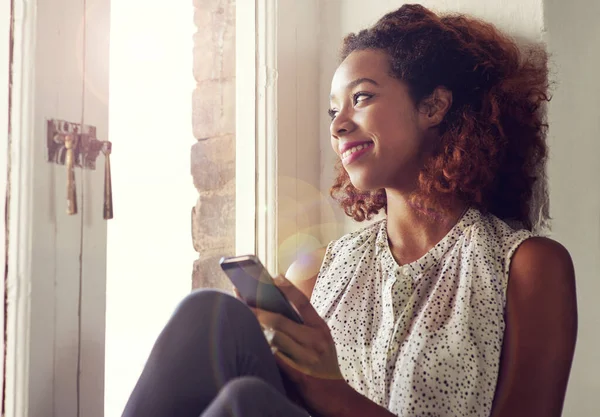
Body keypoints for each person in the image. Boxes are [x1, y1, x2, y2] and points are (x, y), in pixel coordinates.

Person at [122, 4, 577, 417]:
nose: (339, 126)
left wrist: (331, 390)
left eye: (361, 98)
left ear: (433, 106)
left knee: (248, 402)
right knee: (209, 315)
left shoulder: (525, 265)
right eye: (332, 111)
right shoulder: (319, 273)